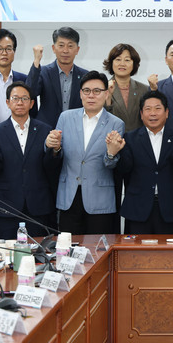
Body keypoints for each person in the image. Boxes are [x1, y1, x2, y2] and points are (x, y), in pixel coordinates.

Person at [0, 82, 60, 240]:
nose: (20, 102)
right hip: (6, 205)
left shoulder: (45, 130)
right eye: (15, 98)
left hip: (38, 205)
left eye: (24, 98)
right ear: (8, 102)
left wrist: (55, 150)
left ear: (32, 103)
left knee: (39, 251)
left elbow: (50, 166)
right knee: (7, 252)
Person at [46, 71, 125, 234]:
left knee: (97, 247)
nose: (91, 95)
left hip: (99, 197)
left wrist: (111, 154)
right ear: (80, 93)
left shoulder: (116, 123)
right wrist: (54, 146)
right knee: (69, 246)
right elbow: (56, 155)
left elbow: (111, 164)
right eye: (86, 90)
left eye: (97, 91)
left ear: (106, 94)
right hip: (69, 195)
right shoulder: (65, 117)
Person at [113, 91, 173, 234]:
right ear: (141, 114)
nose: (153, 113)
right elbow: (124, 169)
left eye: (158, 108)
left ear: (166, 113)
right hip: (137, 209)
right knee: (135, 248)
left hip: (170, 209)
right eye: (148, 109)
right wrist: (115, 151)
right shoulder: (130, 138)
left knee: (168, 248)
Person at [28, 27, 89, 128]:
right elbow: (29, 94)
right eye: (61, 45)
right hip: (46, 129)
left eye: (70, 46)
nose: (65, 50)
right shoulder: (43, 72)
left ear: (77, 50)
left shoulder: (85, 76)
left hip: (75, 129)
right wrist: (36, 61)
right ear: (53, 48)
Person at [103, 43, 156, 132]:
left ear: (134, 64)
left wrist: (154, 91)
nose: (122, 64)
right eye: (118, 59)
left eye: (127, 60)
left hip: (138, 139)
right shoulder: (102, 89)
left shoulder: (145, 90)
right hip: (111, 139)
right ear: (111, 63)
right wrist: (108, 99)